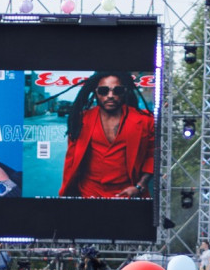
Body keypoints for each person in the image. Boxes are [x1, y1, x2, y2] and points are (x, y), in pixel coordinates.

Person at [58, 72, 155, 200]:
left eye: (117, 90)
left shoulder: (145, 120)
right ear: (96, 92)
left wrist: (140, 186)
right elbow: (71, 160)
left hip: (127, 193)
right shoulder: (81, 120)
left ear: (125, 92)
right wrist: (66, 194)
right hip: (88, 192)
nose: (110, 96)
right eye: (103, 91)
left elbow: (153, 155)